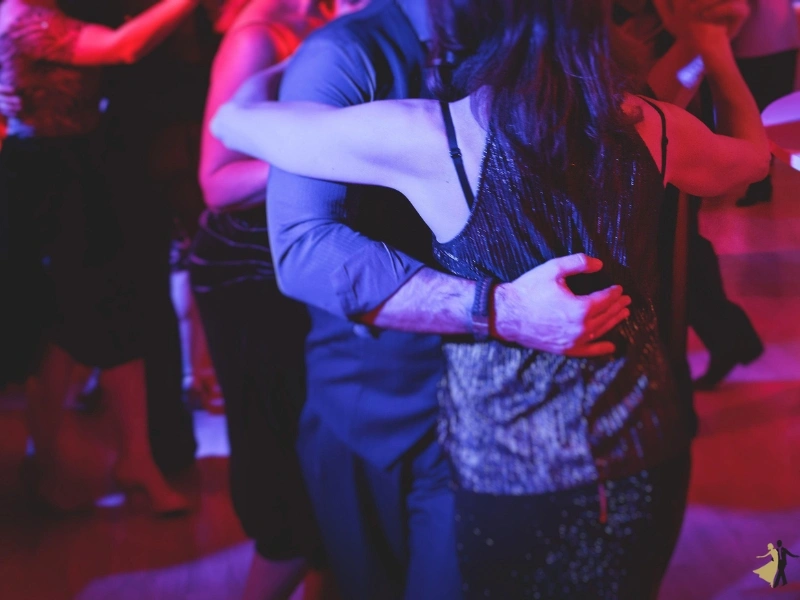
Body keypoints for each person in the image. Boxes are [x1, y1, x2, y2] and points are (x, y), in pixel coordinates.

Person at [211, 0, 770, 596]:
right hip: (640, 452)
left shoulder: (436, 136)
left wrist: (276, 72)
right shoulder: (654, 125)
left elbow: (234, 124)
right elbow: (752, 162)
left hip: (511, 473)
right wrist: (712, 49)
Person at [191, 0, 366, 598]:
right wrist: (342, 144)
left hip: (290, 262)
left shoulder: (322, 23)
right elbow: (217, 183)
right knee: (285, 480)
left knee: (320, 464)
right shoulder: (258, 36)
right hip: (247, 271)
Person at [0, 0, 199, 513]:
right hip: (45, 180)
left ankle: (127, 460)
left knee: (114, 313)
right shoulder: (21, 15)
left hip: (79, 167)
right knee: (56, 330)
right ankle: (46, 463)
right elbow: (123, 47)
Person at [733, 0, 799, 206]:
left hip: (772, 42)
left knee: (762, 118)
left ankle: (760, 181)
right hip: (764, 41)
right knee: (760, 118)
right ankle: (760, 180)